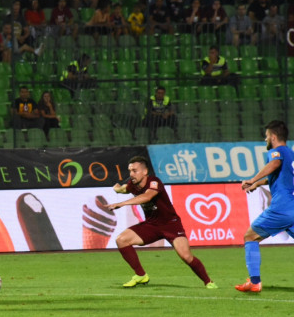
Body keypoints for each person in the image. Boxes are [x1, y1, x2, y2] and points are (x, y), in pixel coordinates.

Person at [105, 156, 217, 289]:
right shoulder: (132, 185)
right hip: (152, 225)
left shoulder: (154, 181)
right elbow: (124, 189)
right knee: (121, 240)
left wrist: (121, 204)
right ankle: (141, 275)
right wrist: (117, 189)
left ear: (145, 172)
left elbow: (147, 196)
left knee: (186, 256)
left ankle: (208, 282)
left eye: (135, 171)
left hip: (171, 225)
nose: (131, 174)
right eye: (130, 171)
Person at [236, 121, 294, 293]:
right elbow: (279, 175)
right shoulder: (290, 153)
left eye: (267, 136)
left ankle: (254, 282)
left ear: (273, 137)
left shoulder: (275, 152)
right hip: (292, 207)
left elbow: (274, 164)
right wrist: (259, 184)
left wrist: (252, 180)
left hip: (281, 208)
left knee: (250, 237)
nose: (265, 139)